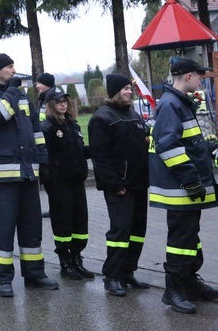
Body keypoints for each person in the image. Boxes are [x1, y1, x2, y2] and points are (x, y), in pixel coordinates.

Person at [0, 53, 58, 298]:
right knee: (3, 228)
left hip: (27, 173)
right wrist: (11, 91)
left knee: (32, 226)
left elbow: (35, 129)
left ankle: (34, 274)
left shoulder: (21, 96)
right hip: (3, 176)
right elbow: (0, 115)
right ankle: (3, 278)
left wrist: (42, 159)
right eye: (9, 66)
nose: (13, 70)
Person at [149, 58, 218, 313]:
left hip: (187, 187)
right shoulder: (171, 104)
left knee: (191, 238)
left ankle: (189, 283)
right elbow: (168, 147)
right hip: (181, 188)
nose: (202, 80)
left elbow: (185, 143)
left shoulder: (179, 103)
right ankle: (173, 289)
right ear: (188, 77)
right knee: (180, 239)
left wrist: (207, 148)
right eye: (199, 76)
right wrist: (190, 180)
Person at [88, 73, 150, 297]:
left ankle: (127, 271)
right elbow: (100, 156)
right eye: (124, 89)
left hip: (139, 184)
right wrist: (114, 184)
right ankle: (112, 276)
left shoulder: (133, 114)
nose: (129, 92)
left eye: (129, 88)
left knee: (137, 231)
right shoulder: (102, 118)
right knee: (120, 232)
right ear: (114, 92)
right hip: (120, 187)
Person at [41, 87, 94, 281]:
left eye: (65, 101)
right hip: (59, 184)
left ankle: (77, 258)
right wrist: (49, 180)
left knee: (80, 221)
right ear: (50, 105)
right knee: (63, 223)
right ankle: (65, 262)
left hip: (76, 181)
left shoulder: (73, 125)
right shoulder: (47, 127)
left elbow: (79, 150)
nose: (63, 104)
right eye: (58, 101)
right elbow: (44, 157)